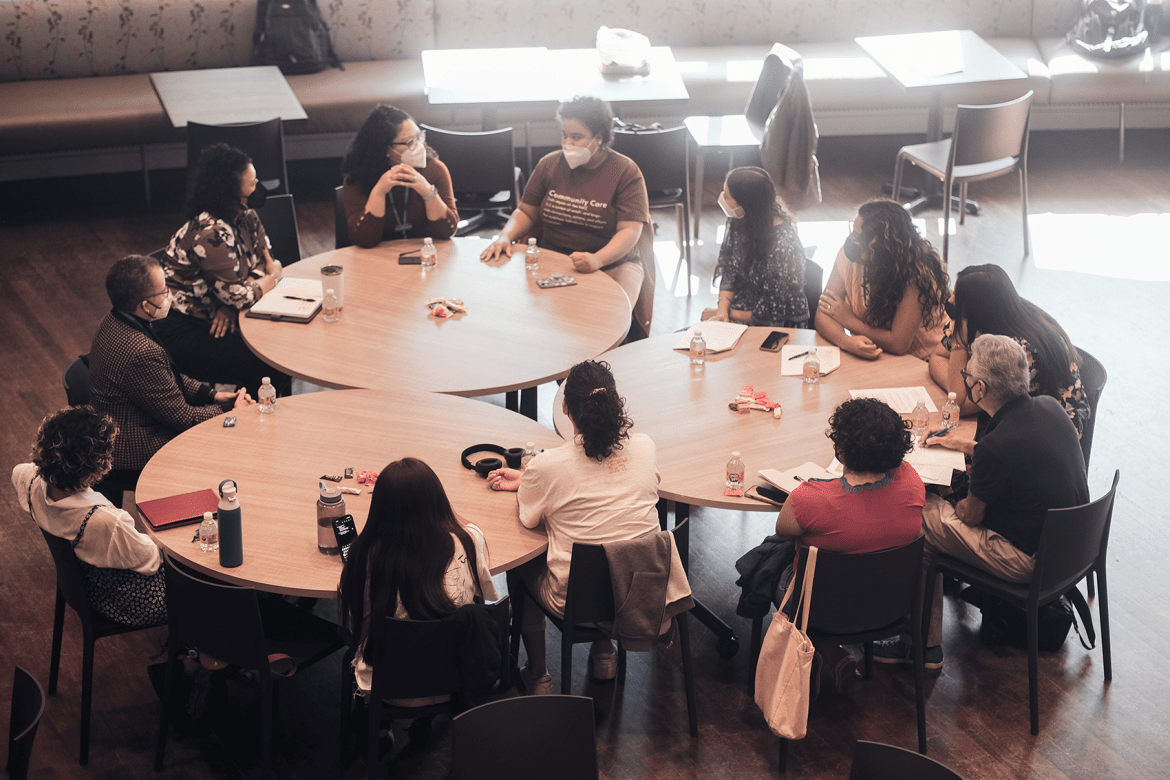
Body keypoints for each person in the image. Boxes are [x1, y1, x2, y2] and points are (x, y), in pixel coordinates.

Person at [874, 334, 1089, 668]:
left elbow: (970, 516)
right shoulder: (1049, 407)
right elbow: (1022, 452)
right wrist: (964, 445)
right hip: (1074, 551)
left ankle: (921, 646)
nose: (965, 381)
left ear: (980, 389)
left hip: (1032, 563)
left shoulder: (997, 447)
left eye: (967, 378)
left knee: (922, 516)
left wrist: (946, 498)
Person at [487, 360, 661, 694]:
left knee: (523, 564)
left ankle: (538, 675)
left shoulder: (548, 466)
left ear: (566, 408)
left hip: (577, 605)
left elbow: (529, 518)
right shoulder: (645, 447)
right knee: (612, 540)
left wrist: (530, 483)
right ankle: (603, 654)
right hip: (638, 597)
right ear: (614, 401)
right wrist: (533, 481)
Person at [773, 397, 925, 690]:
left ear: (840, 448)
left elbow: (783, 528)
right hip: (888, 609)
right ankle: (831, 655)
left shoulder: (811, 499)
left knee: (767, 561)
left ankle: (820, 651)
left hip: (820, 611)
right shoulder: (912, 483)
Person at [479, 96, 655, 339]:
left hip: (612, 265)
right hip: (555, 260)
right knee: (530, 326)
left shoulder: (626, 172)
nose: (567, 143)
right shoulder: (549, 165)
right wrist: (504, 237)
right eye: (564, 135)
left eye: (576, 137)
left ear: (599, 138)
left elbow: (630, 231)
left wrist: (597, 259)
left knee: (606, 330)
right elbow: (525, 211)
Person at [89, 255, 252, 500]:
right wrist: (231, 409)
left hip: (119, 429)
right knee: (228, 444)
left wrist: (212, 394)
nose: (170, 295)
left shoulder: (114, 320)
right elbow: (183, 418)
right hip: (135, 449)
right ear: (145, 305)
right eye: (164, 291)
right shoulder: (141, 351)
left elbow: (165, 376)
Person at [339, 458, 498, 701]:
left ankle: (380, 730)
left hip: (391, 684)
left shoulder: (368, 553)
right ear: (438, 499)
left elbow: (362, 618)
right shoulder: (470, 538)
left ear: (380, 508)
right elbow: (482, 602)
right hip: (457, 676)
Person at [156, 142, 290, 397]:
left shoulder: (246, 215)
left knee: (278, 348)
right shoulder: (210, 234)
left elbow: (265, 260)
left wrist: (231, 303)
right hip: (184, 328)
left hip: (219, 312)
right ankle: (252, 420)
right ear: (231, 192)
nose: (258, 188)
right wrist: (270, 280)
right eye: (252, 184)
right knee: (266, 359)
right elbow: (254, 284)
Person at [13, 406, 166, 627]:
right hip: (127, 602)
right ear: (97, 465)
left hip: (84, 588)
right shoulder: (105, 521)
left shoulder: (24, 478)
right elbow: (151, 561)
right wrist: (158, 540)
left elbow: (29, 470)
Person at [928, 263, 1089, 438]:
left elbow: (958, 405)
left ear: (974, 311)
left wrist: (959, 344)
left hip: (1047, 439)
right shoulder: (999, 314)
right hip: (1012, 416)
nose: (949, 304)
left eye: (954, 307)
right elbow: (937, 357)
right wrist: (960, 384)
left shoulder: (1018, 351)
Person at [815, 199, 949, 360]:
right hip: (876, 354)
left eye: (859, 236)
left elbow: (898, 344)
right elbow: (824, 313)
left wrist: (848, 320)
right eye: (852, 231)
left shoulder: (917, 274)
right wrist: (845, 341)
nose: (851, 240)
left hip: (924, 360)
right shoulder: (849, 257)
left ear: (882, 247)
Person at [701, 166, 810, 328]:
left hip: (776, 326)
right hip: (745, 308)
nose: (722, 198)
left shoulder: (783, 247)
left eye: (728, 196)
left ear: (747, 204)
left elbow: (771, 315)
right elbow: (731, 270)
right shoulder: (740, 217)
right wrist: (722, 310)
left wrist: (725, 314)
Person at [340, 104, 459, 247]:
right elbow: (364, 240)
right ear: (385, 149)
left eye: (419, 138)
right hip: (377, 260)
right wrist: (379, 192)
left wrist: (428, 193)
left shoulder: (434, 169)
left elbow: (447, 232)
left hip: (425, 256)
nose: (419, 146)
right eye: (410, 142)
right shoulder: (358, 177)